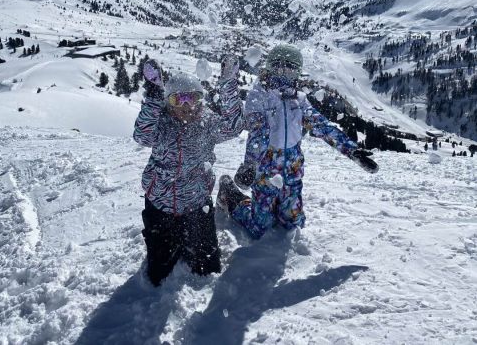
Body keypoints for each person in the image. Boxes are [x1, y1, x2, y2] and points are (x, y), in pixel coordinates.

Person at [217, 44, 378, 240]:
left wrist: (353, 151)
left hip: (292, 170)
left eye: (290, 68)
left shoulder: (299, 100)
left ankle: (276, 206)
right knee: (258, 227)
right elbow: (258, 134)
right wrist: (250, 164)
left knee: (293, 224)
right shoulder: (258, 96)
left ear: (297, 72)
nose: (284, 73)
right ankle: (230, 193)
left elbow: (322, 126)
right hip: (266, 169)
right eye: (279, 66)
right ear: (269, 68)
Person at [133, 56, 242, 286]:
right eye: (177, 100)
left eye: (192, 99)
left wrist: (228, 84)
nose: (185, 106)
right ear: (168, 102)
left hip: (196, 206)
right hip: (160, 206)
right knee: (157, 275)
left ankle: (187, 240)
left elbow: (233, 126)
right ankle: (167, 243)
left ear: (200, 101)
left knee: (208, 267)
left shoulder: (208, 123)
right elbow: (141, 136)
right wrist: (153, 97)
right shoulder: (160, 123)